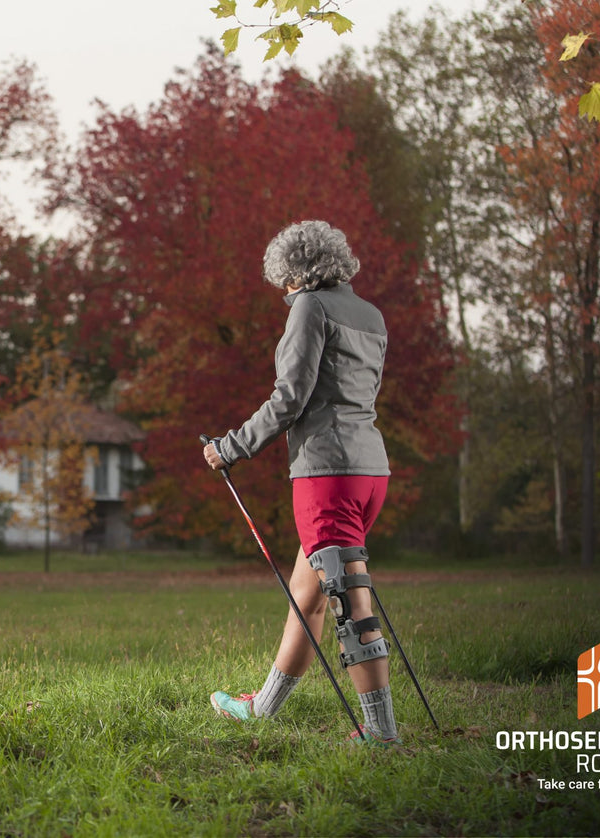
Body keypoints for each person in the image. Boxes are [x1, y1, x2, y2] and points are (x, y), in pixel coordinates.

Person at [202, 219, 399, 747]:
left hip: (327, 474)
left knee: (350, 606)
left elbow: (289, 398)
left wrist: (230, 447)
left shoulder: (311, 307)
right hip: (369, 471)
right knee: (307, 595)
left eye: (282, 283)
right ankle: (260, 709)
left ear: (293, 273)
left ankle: (381, 735)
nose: (283, 294)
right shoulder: (370, 313)